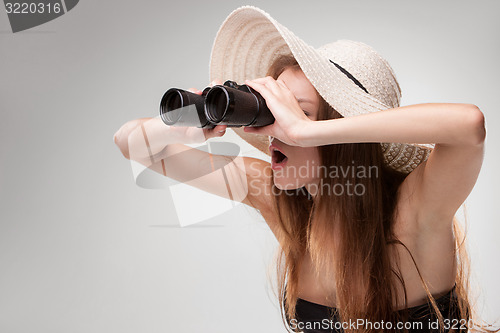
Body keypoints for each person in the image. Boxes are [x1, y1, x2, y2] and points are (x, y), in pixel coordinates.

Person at [114, 6, 497, 333]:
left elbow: (468, 126)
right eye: (272, 110)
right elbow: (129, 142)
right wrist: (189, 127)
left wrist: (305, 131)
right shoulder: (278, 199)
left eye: (296, 112)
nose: (275, 131)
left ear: (340, 131)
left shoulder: (414, 213)